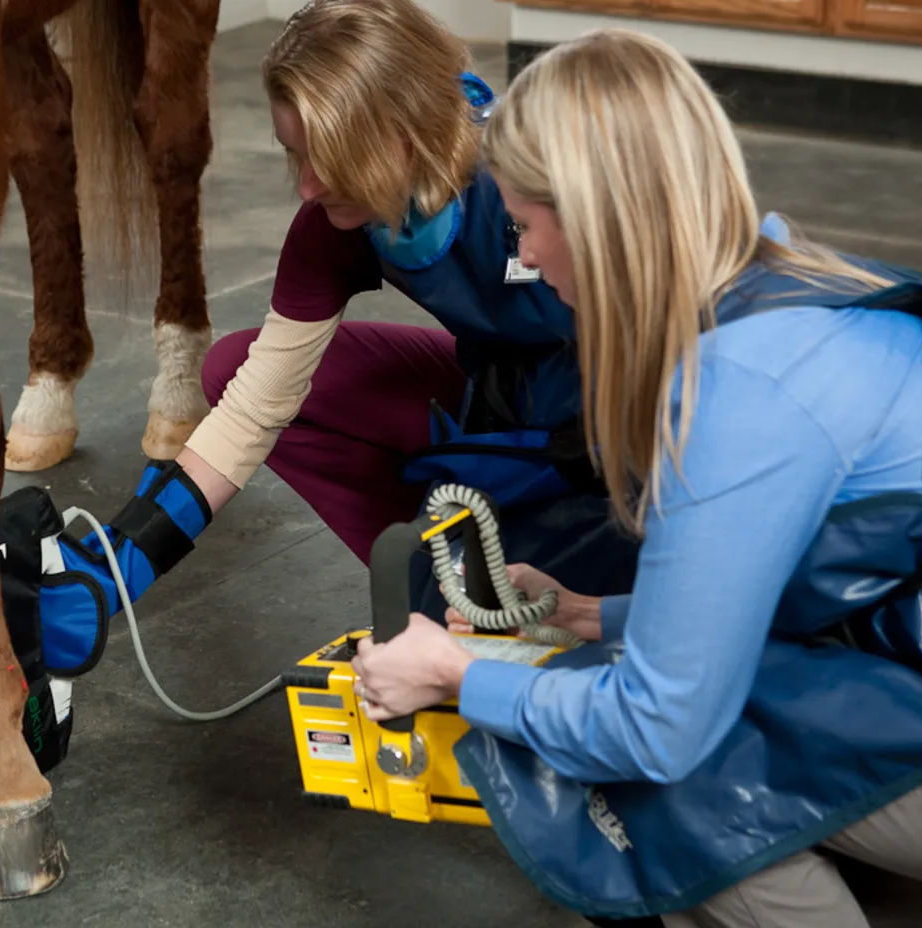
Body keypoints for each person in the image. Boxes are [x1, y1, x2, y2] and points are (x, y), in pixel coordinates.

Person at [347, 26, 922, 928]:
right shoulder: (794, 282)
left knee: (663, 773)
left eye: (528, 224)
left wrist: (460, 675)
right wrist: (601, 614)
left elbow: (658, 729)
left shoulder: (734, 393)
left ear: (596, 218)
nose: (528, 256)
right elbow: (847, 568)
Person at [32, 0, 641, 679]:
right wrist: (122, 558)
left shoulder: (536, 178)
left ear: (405, 130)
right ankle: (441, 576)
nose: (308, 185)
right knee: (233, 366)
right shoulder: (337, 224)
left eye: (330, 156)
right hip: (509, 408)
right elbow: (255, 405)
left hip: (634, 429)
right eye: (294, 154)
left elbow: (691, 351)